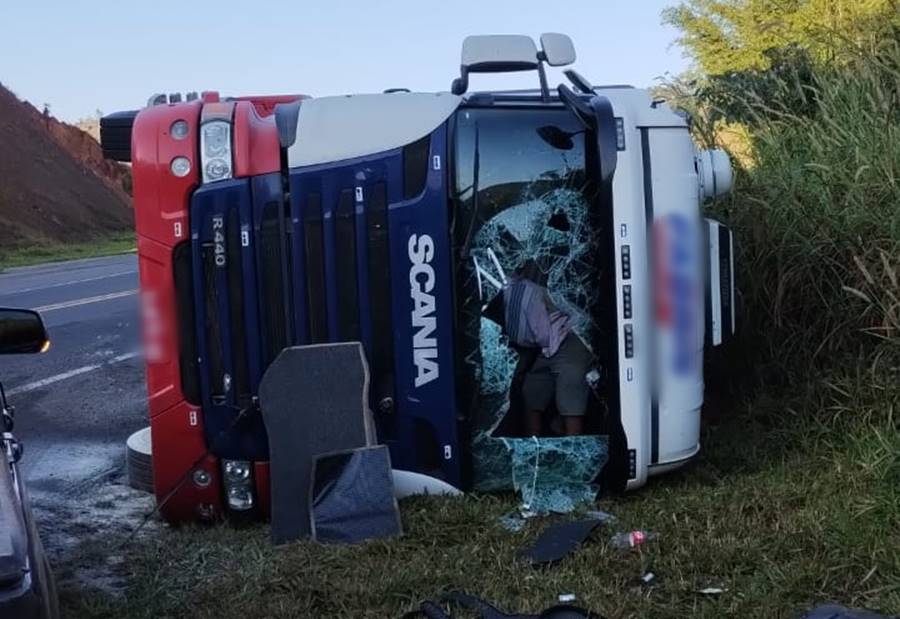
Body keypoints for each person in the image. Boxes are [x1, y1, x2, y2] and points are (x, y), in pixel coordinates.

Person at [498, 275, 593, 436]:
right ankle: (534, 447)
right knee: (532, 391)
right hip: (548, 346)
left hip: (567, 339)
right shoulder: (511, 291)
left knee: (569, 394)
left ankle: (573, 446)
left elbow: (541, 334)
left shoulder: (528, 291)